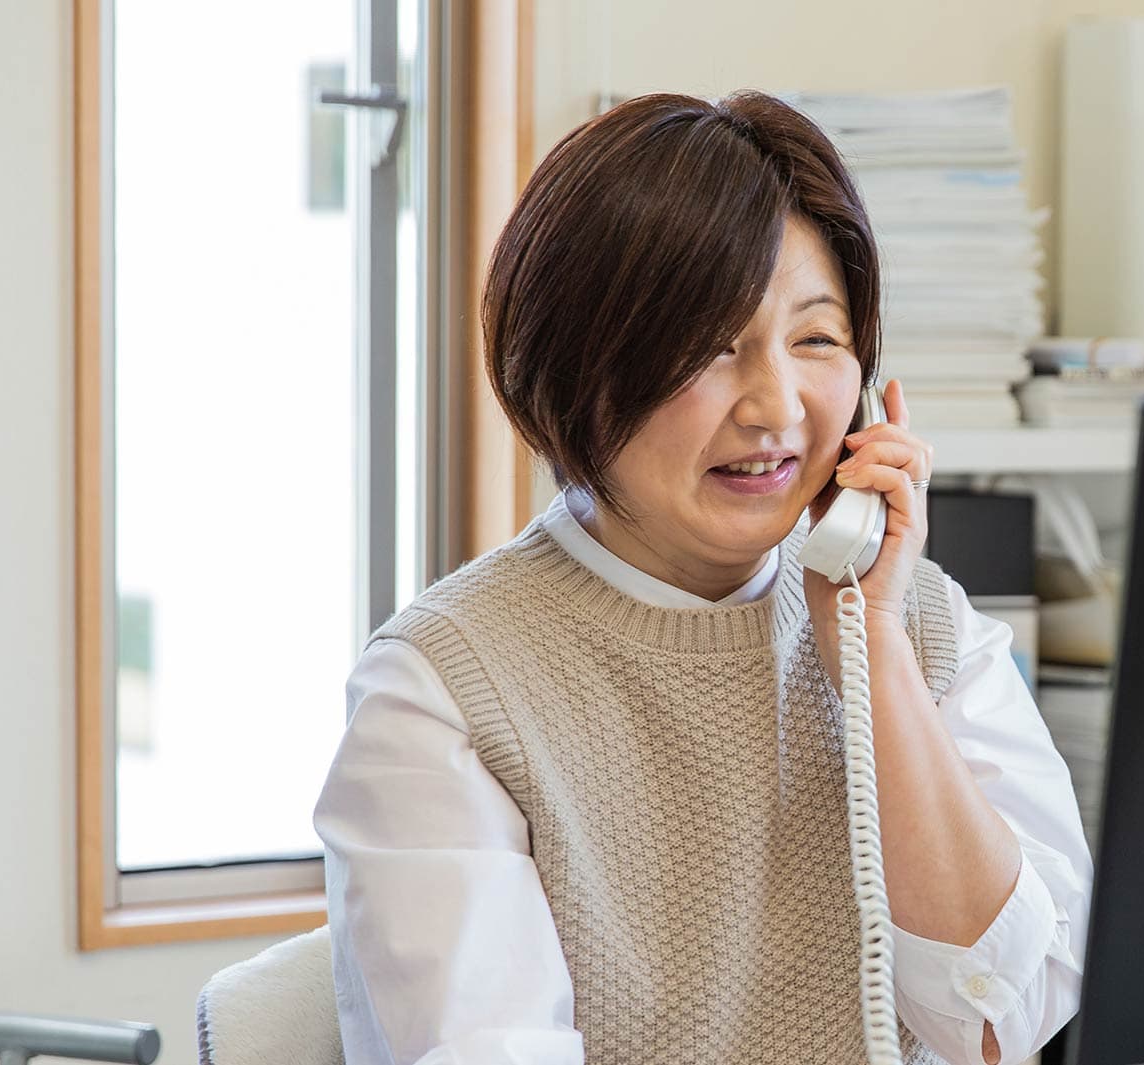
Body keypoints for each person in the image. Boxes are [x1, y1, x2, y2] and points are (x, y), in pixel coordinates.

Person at [312, 91, 1091, 1065]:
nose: (776, 410)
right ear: (570, 372)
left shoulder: (919, 623)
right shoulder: (443, 690)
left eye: (816, 340)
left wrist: (870, 649)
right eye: (710, 347)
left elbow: (997, 1025)